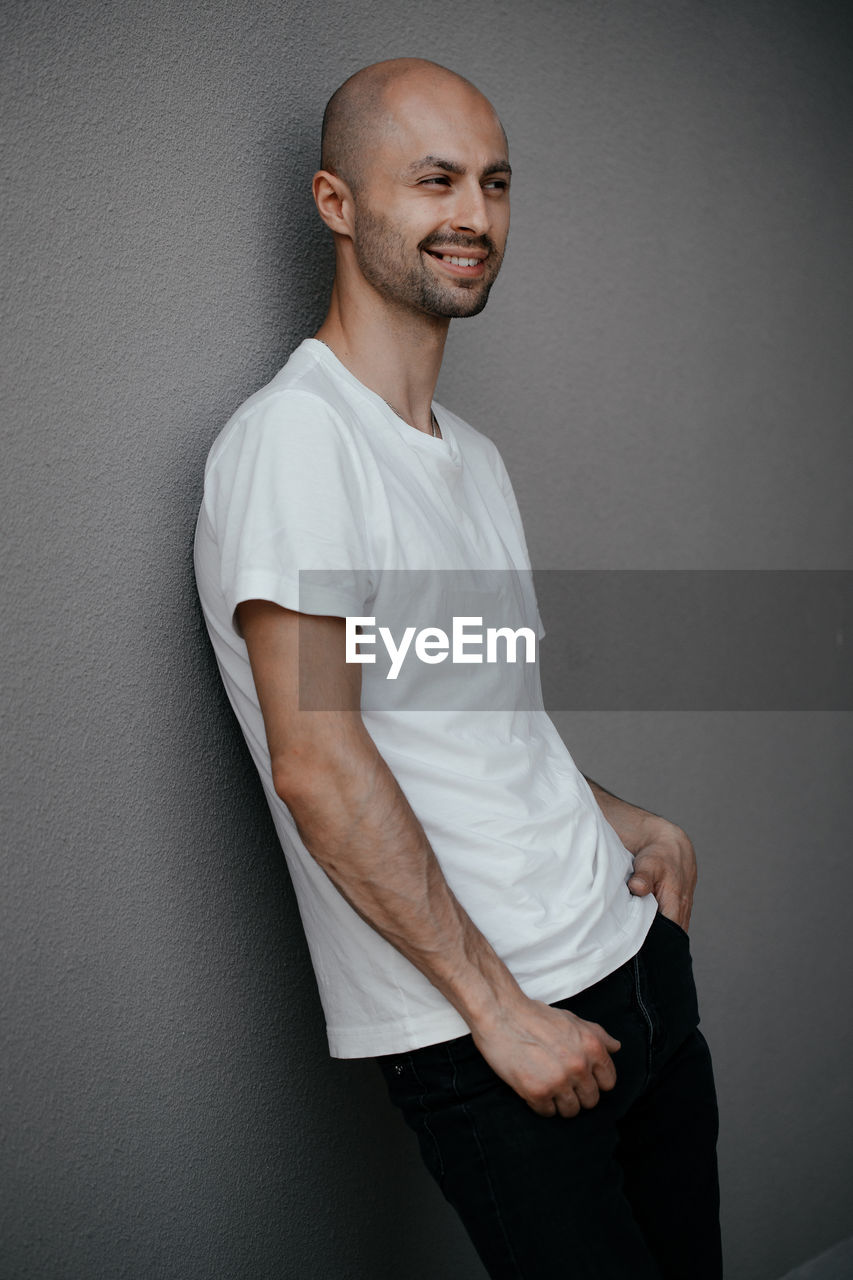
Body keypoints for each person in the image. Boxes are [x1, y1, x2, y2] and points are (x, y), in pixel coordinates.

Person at [193, 57, 722, 1280]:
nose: (473, 216)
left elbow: (474, 717)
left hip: (630, 961)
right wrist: (501, 1016)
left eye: (493, 183)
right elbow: (318, 762)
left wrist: (627, 818)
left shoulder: (467, 456)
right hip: (503, 1033)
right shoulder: (295, 445)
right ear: (337, 202)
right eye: (432, 179)